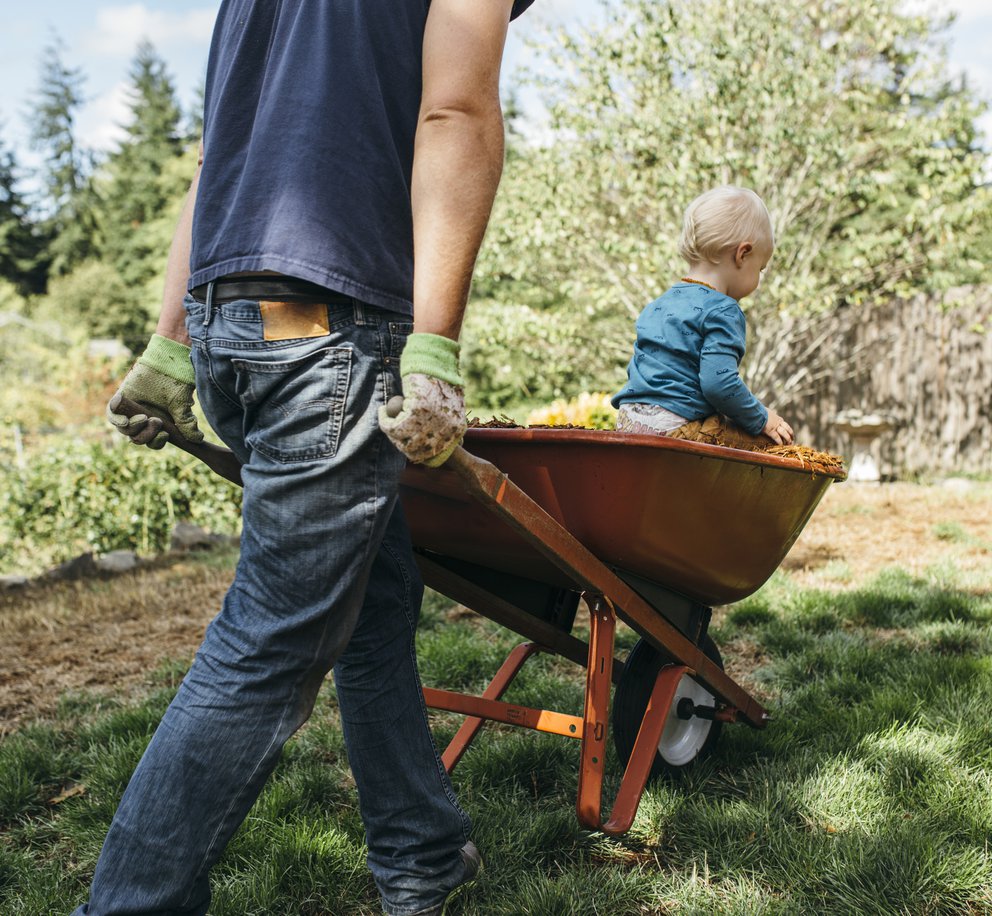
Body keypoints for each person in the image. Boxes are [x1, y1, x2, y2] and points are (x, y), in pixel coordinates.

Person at [83, 1, 534, 914]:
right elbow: (455, 111)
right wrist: (435, 346)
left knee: (374, 600)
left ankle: (423, 856)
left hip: (230, 316)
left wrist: (173, 343)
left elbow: (218, 158)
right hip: (329, 325)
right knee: (275, 631)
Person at [612, 186, 794, 449]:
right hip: (677, 429)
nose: (759, 278)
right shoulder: (723, 309)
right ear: (742, 254)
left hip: (628, 423)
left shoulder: (659, 304)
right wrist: (764, 419)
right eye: (760, 269)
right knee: (771, 447)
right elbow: (719, 384)